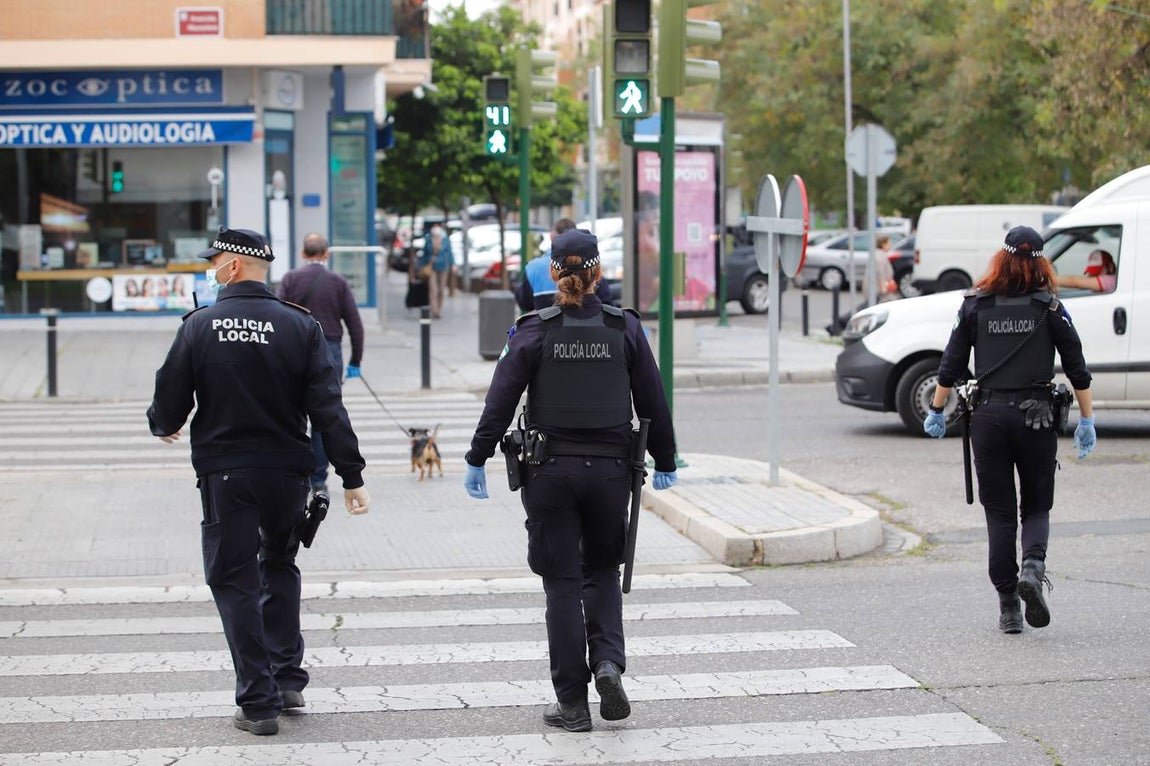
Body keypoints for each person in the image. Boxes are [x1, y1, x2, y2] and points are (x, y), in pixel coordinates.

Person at [146, 227, 370, 736]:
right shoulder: (300, 326)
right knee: (281, 564)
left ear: (232, 265)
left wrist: (164, 422)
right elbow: (328, 408)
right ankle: (288, 678)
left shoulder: (199, 326)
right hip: (287, 473)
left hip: (227, 474)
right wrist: (351, 476)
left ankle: (259, 701)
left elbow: (170, 400)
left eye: (215, 260)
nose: (212, 267)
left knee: (234, 579)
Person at [462, 228, 679, 732]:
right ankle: (607, 663)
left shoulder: (534, 329)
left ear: (554, 274)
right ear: (599, 273)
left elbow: (500, 400)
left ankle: (573, 704)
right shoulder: (624, 328)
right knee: (601, 570)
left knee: (561, 584)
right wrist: (666, 458)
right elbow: (652, 398)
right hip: (610, 474)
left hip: (550, 473)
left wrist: (476, 458)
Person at [923, 225, 1095, 635]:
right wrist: (1087, 419)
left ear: (999, 258)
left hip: (989, 417)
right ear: (1041, 261)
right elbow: (1077, 367)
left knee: (999, 514)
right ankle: (1032, 571)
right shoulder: (1050, 307)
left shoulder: (975, 305)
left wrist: (936, 408)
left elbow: (950, 362)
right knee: (1035, 505)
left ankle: (1008, 607)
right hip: (1036, 417)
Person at [276, 232, 366, 493]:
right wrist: (355, 360)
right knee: (324, 416)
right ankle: (318, 480)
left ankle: (295, 475)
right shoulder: (338, 281)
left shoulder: (291, 279)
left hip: (294, 350)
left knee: (293, 415)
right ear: (326, 254)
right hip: (330, 351)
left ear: (303, 254)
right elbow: (355, 325)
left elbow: (278, 315)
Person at [515, 218, 614, 311]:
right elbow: (606, 302)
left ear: (552, 273)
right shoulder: (623, 324)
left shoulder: (533, 268)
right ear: (598, 273)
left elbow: (524, 303)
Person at [415, 225, 453, 318]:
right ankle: (435, 310)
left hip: (443, 267)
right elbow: (424, 255)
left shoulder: (445, 240)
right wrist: (421, 266)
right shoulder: (428, 240)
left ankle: (439, 308)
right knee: (433, 289)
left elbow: (450, 253)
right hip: (431, 267)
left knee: (441, 289)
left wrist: (453, 264)